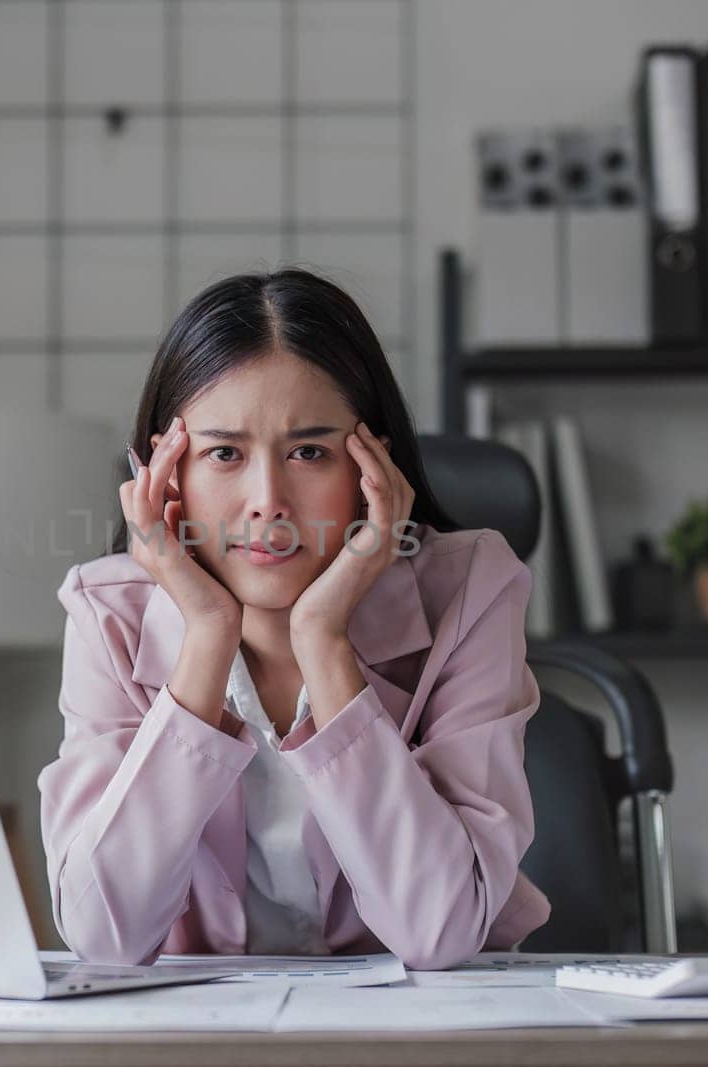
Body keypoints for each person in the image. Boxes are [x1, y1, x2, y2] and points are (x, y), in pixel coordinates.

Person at [37, 268, 550, 970]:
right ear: (161, 473)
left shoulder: (472, 588)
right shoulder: (107, 612)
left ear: (376, 465)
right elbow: (103, 937)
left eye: (309, 452)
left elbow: (441, 929)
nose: (267, 500)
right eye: (224, 453)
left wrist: (323, 639)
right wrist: (206, 635)